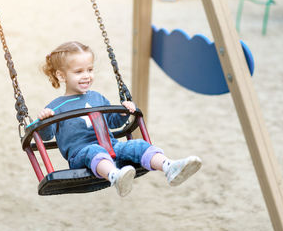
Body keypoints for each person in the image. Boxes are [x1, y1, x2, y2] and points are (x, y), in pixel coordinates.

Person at [37, 41, 202, 197]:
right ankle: (115, 177)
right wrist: (44, 120)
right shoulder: (56, 107)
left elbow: (112, 122)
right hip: (82, 155)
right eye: (79, 72)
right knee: (95, 151)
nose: (86, 76)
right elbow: (46, 135)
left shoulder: (97, 98)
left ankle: (169, 166)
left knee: (137, 145)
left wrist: (123, 113)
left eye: (90, 70)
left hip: (112, 147)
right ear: (62, 75)